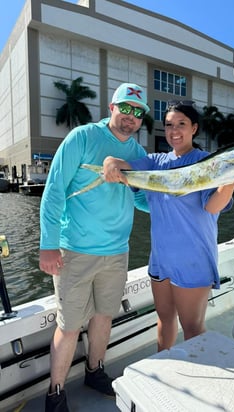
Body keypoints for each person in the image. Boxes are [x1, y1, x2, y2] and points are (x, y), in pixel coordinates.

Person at [103, 100, 234, 352]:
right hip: (160, 260)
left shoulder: (210, 163)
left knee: (192, 327)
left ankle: (197, 379)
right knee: (164, 320)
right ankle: (165, 365)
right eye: (168, 125)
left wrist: (230, 182)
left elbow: (212, 207)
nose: (174, 131)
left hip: (193, 259)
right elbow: (126, 167)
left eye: (181, 124)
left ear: (194, 128)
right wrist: (112, 161)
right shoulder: (154, 161)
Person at [39, 82, 150, 412]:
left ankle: (94, 371)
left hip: (117, 253)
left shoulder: (139, 155)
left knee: (104, 317)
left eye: (138, 113)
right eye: (126, 108)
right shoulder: (83, 137)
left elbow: (143, 200)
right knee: (70, 325)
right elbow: (54, 191)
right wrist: (48, 245)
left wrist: (171, 200)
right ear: (112, 107)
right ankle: (55, 393)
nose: (131, 117)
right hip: (75, 251)